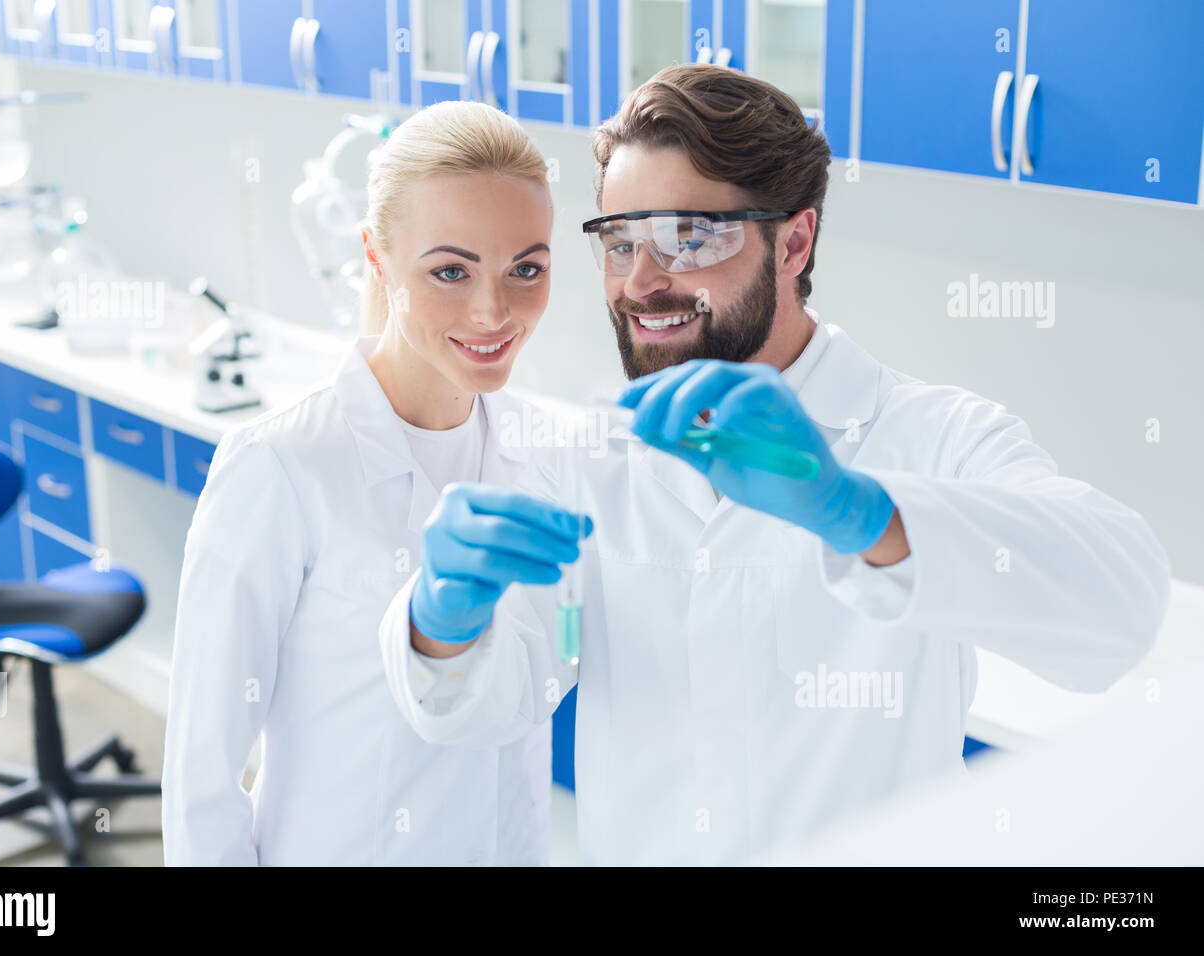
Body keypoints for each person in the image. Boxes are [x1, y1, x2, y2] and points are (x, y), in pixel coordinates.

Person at [378, 65, 1173, 865]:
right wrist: (442, 624)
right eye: (620, 243)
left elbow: (1123, 612)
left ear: (793, 242)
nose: (642, 282)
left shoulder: (933, 435)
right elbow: (489, 706)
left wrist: (856, 510)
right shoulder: (586, 462)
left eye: (687, 236)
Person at [162, 100, 566, 865]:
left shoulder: (543, 455)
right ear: (377, 259)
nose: (492, 310)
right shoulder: (280, 466)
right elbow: (200, 775)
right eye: (450, 270)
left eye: (526, 269)